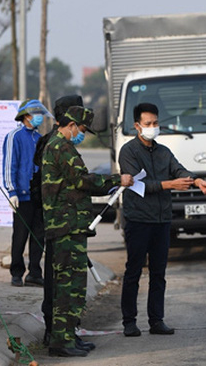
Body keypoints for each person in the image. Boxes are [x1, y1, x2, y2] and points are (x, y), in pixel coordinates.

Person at [42, 106, 134, 357]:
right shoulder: (60, 147)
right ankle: (61, 342)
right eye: (81, 129)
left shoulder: (63, 146)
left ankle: (70, 336)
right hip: (65, 228)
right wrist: (117, 180)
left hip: (72, 226)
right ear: (70, 125)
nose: (81, 133)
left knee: (75, 285)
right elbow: (82, 181)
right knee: (67, 286)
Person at [118, 102, 206, 337]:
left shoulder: (163, 152)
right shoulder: (128, 152)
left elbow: (179, 170)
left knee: (158, 273)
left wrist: (196, 181)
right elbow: (137, 184)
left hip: (162, 220)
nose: (153, 127)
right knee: (133, 271)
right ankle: (129, 322)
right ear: (137, 126)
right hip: (139, 219)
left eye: (155, 123)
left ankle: (156, 320)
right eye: (148, 124)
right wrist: (169, 185)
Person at [30, 95, 84, 347]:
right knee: (58, 279)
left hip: (64, 219)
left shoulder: (61, 141)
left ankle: (67, 331)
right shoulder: (53, 143)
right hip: (54, 220)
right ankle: (54, 331)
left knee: (65, 277)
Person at [2, 99, 51, 287]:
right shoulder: (14, 136)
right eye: (35, 114)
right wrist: (11, 190)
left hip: (38, 194)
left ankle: (35, 272)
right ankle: (16, 272)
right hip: (22, 194)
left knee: (39, 235)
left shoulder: (39, 138)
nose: (39, 118)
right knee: (20, 235)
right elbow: (9, 165)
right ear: (26, 116)